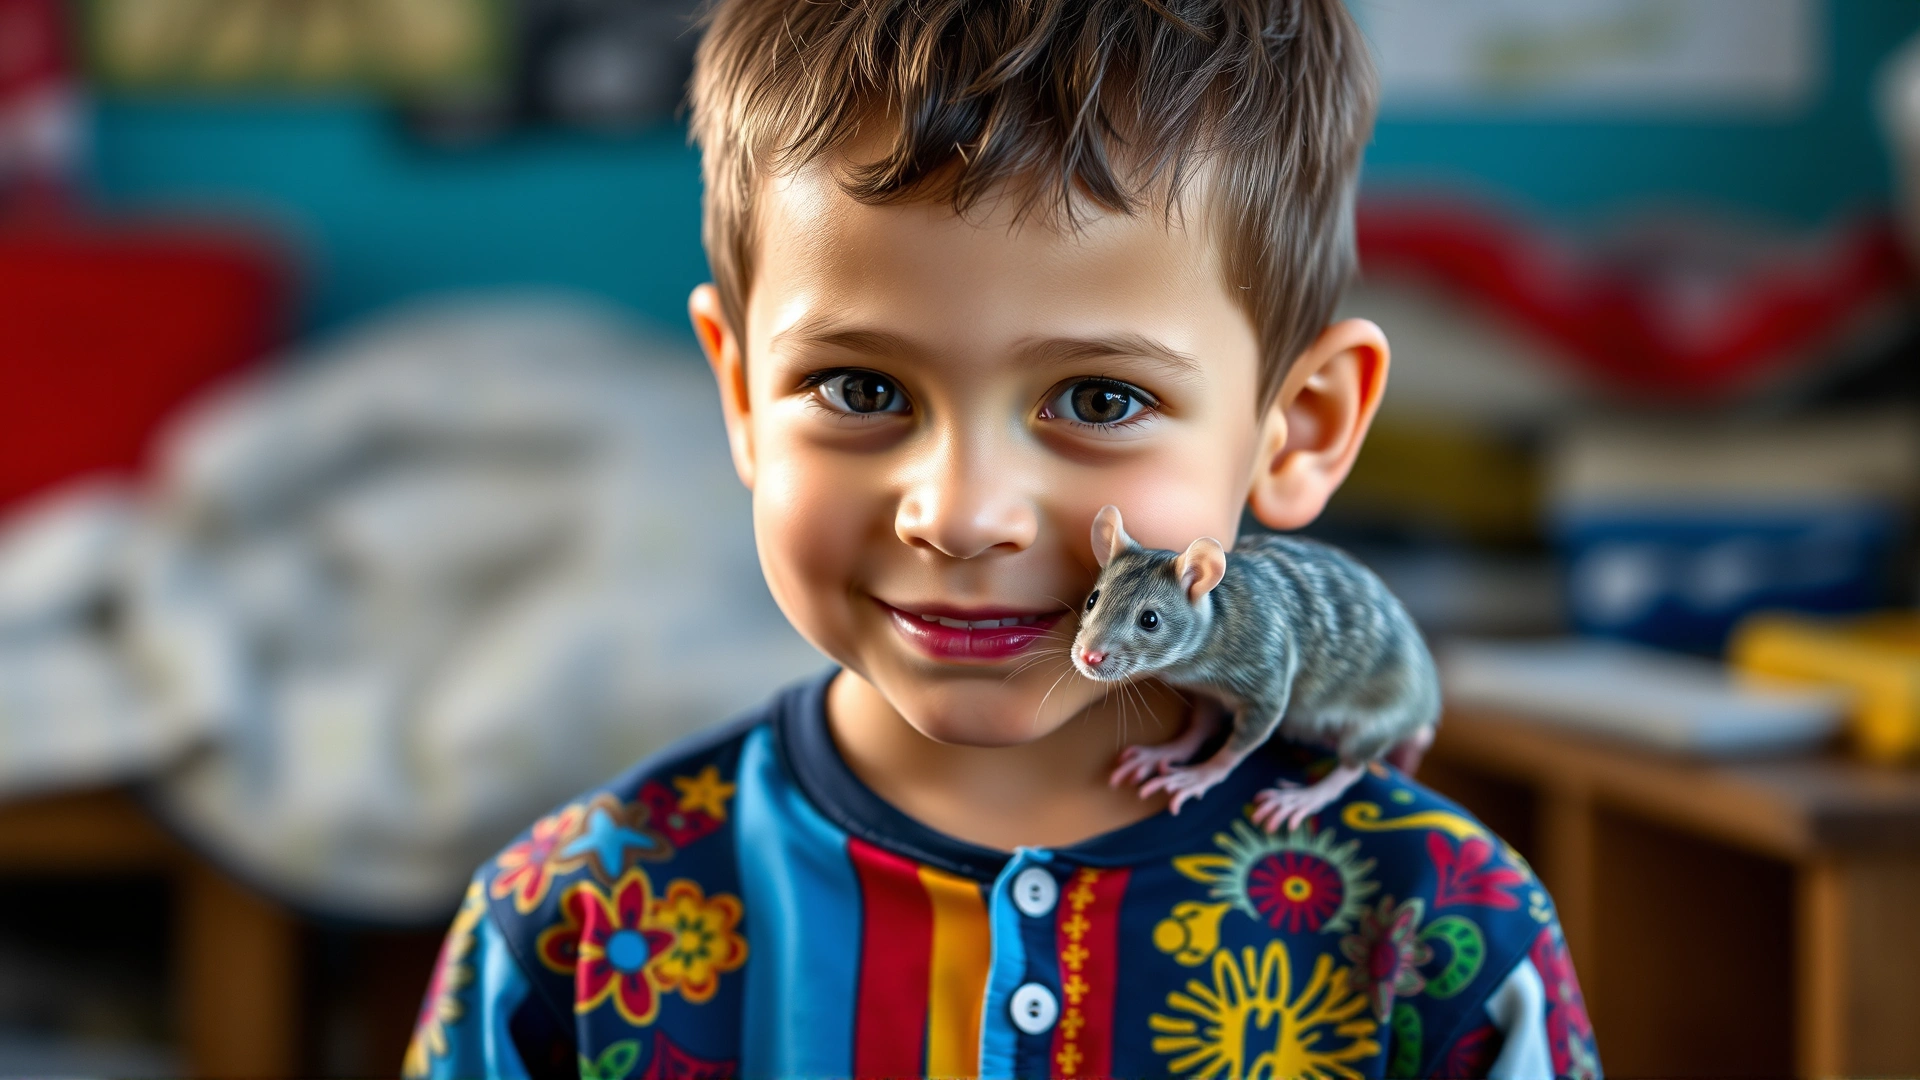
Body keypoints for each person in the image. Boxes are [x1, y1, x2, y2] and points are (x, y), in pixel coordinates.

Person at [403, 0, 1599, 1075]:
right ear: (742, 401)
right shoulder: (574, 924)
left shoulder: (1441, 927)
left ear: (1299, 431)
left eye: (1099, 399)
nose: (963, 514)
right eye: (862, 390)